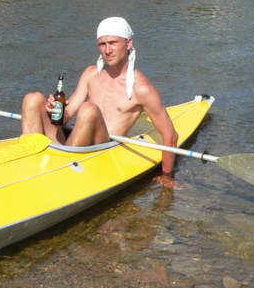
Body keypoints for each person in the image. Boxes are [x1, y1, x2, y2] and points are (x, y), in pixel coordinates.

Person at [21, 16, 181, 189]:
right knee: (32, 99)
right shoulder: (91, 74)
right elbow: (66, 117)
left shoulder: (141, 88)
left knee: (89, 109)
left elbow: (170, 135)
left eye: (113, 43)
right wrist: (53, 110)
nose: (107, 50)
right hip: (76, 143)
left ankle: (65, 172)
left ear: (128, 43)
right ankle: (29, 159)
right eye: (102, 44)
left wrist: (166, 176)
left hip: (102, 148)